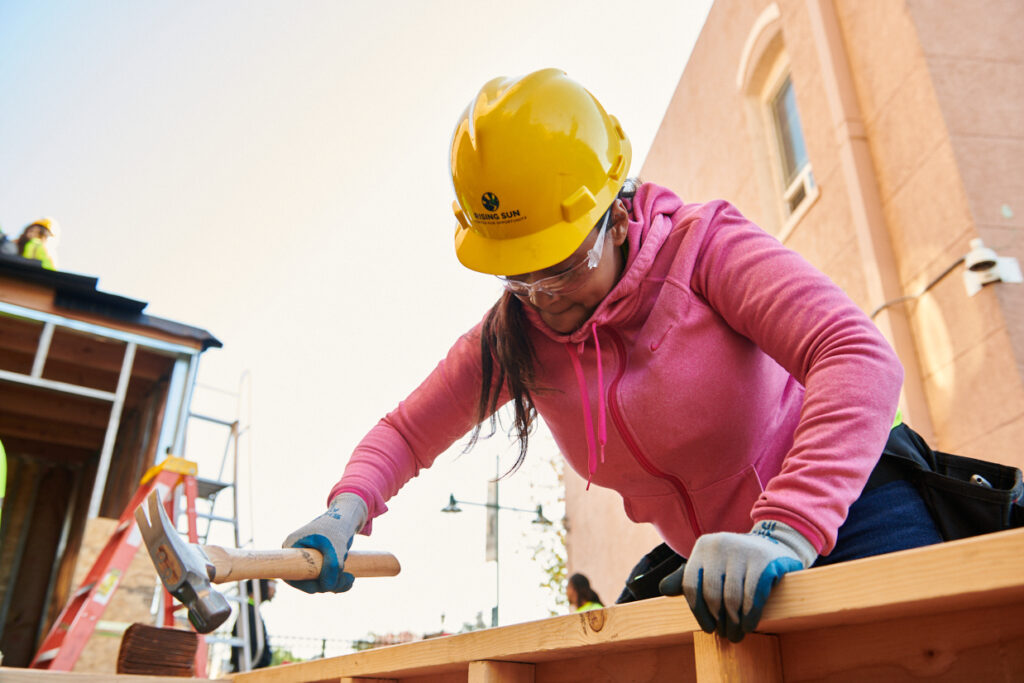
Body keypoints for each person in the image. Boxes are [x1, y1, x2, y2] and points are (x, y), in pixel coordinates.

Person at [283, 68, 943, 643]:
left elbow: (856, 354)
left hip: (851, 510)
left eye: (563, 266)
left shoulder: (703, 247)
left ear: (617, 214)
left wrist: (784, 531)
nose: (543, 297)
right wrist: (346, 511)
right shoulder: (513, 334)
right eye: (519, 274)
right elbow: (405, 432)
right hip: (715, 565)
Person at [230, 578, 276, 671]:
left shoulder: (251, 610)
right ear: (261, 585)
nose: (274, 590)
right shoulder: (249, 613)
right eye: (272, 584)